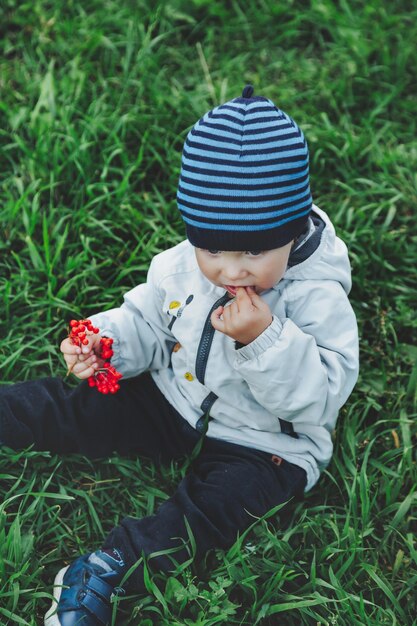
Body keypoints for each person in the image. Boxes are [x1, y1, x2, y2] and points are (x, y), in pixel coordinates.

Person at [0, 85, 359, 626]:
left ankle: (110, 567)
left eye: (256, 252)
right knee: (76, 407)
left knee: (215, 511)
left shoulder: (317, 296)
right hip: (175, 393)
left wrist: (263, 338)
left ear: (293, 232)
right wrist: (106, 342)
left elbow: (322, 397)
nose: (232, 270)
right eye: (213, 249)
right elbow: (149, 316)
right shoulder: (181, 265)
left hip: (265, 443)